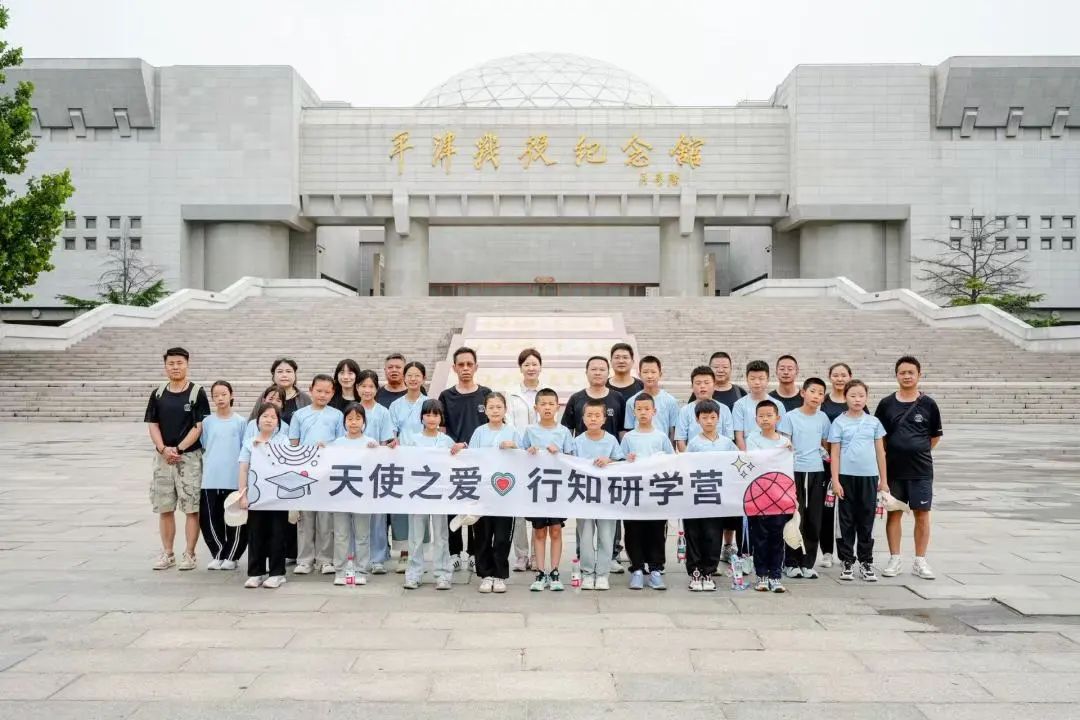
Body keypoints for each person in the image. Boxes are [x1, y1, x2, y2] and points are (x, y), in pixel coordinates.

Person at [876, 356, 943, 581]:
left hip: (921, 470)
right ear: (896, 375)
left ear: (919, 375)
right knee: (894, 513)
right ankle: (894, 559)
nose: (906, 376)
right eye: (902, 372)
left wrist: (916, 449)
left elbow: (934, 437)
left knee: (922, 515)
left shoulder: (929, 404)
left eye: (911, 372)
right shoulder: (886, 404)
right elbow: (879, 437)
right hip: (894, 470)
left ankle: (920, 561)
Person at [146, 347, 211, 571]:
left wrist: (179, 449)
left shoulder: (197, 392)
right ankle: (168, 553)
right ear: (165, 366)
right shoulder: (158, 393)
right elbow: (153, 424)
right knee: (164, 507)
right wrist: (163, 449)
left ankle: (190, 554)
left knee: (192, 507)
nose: (175, 367)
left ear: (187, 364)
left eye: (179, 363)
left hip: (189, 457)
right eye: (171, 363)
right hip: (163, 458)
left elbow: (199, 426)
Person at [829, 379, 888, 583]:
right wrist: (835, 481)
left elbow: (880, 453)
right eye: (853, 395)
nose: (857, 399)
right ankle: (847, 561)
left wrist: (884, 480)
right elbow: (834, 454)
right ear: (845, 397)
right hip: (846, 477)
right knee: (845, 520)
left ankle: (866, 561)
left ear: (866, 397)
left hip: (869, 477)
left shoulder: (874, 422)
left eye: (861, 396)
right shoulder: (838, 422)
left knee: (866, 520)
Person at [438, 347, 491, 570]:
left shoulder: (486, 394)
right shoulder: (446, 396)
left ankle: (474, 553)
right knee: (453, 505)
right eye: (461, 364)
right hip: (454, 459)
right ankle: (454, 553)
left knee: (476, 508)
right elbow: (441, 429)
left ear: (476, 367)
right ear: (454, 368)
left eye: (470, 364)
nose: (466, 368)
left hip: (479, 461)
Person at [288, 374, 344, 575]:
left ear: (333, 393)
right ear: (311, 390)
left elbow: (341, 442)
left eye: (327, 392)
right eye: (319, 391)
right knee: (305, 518)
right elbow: (293, 443)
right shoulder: (299, 415)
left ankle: (325, 559)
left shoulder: (337, 415)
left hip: (327, 472)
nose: (322, 395)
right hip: (305, 471)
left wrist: (328, 448)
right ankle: (304, 560)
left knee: (326, 519)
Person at [777, 378, 832, 579]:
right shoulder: (790, 417)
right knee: (794, 517)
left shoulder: (823, 418)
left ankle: (808, 563)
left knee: (814, 518)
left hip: (816, 472)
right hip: (794, 472)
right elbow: (784, 445)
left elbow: (826, 445)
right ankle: (791, 562)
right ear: (803, 393)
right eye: (812, 391)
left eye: (820, 393)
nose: (816, 396)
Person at [621, 394, 675, 591]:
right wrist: (627, 459)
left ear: (654, 411)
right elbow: (619, 461)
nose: (643, 413)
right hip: (634, 492)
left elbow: (672, 461)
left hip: (656, 492)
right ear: (633, 412)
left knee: (656, 531)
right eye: (639, 409)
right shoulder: (628, 438)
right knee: (633, 530)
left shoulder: (661, 437)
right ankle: (636, 568)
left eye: (647, 409)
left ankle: (655, 569)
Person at [468, 392, 521, 594]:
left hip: (506, 493)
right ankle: (486, 574)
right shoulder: (479, 432)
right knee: (482, 535)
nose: (495, 411)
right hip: (484, 492)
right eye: (491, 407)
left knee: (502, 536)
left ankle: (499, 574)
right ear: (485, 410)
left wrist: (514, 447)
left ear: (505, 409)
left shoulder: (513, 432)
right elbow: (471, 458)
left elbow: (524, 458)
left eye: (499, 407)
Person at [522, 388, 575, 592]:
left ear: (557, 407)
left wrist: (559, 453)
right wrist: (529, 452)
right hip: (537, 489)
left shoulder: (563, 432)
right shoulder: (529, 431)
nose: (547, 407)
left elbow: (572, 459)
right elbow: (519, 457)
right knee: (539, 531)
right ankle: (540, 571)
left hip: (557, 489)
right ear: (536, 407)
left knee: (555, 530)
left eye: (551, 404)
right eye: (543, 404)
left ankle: (554, 571)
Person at [400, 399, 456, 591]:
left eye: (436, 415)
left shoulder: (446, 441)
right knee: (416, 537)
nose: (431, 419)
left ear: (441, 418)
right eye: (428, 414)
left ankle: (443, 574)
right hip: (418, 494)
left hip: (440, 495)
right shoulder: (412, 440)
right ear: (422, 417)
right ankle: (413, 574)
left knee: (441, 536)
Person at [683, 399, 737, 591]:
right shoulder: (694, 443)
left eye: (712, 417)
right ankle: (695, 572)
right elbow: (686, 467)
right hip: (696, 496)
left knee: (713, 534)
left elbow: (738, 462)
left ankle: (709, 571)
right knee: (694, 534)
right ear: (697, 419)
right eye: (704, 418)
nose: (709, 421)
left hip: (717, 497)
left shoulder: (727, 443)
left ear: (718, 418)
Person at [356, 368, 404, 572]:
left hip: (377, 468)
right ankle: (358, 556)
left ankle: (377, 558)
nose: (367, 390)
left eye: (371, 386)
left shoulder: (383, 412)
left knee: (378, 516)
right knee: (357, 514)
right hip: (355, 469)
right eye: (363, 386)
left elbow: (387, 440)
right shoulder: (352, 410)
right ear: (357, 388)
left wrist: (383, 447)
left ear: (377, 389)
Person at [239, 402, 292, 588]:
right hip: (256, 496)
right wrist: (242, 494)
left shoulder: (283, 441)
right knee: (256, 533)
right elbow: (243, 469)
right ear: (257, 420)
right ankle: (256, 572)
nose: (269, 420)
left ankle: (277, 573)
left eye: (273, 417)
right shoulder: (249, 443)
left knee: (277, 533)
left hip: (277, 497)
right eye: (265, 416)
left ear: (278, 422)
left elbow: (288, 465)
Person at [574, 398, 624, 591]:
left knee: (606, 535)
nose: (593, 419)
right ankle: (587, 572)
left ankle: (603, 574)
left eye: (597, 415)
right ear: (583, 418)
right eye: (589, 415)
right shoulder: (577, 442)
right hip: (584, 495)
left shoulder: (611, 440)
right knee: (585, 536)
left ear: (604, 419)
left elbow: (620, 462)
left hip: (607, 496)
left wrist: (609, 461)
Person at [199, 380, 248, 571]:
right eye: (216, 395)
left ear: (231, 395)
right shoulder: (207, 422)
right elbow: (205, 445)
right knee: (210, 519)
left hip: (233, 479)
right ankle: (218, 553)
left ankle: (232, 556)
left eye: (224, 394)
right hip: (211, 478)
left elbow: (244, 450)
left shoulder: (240, 422)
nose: (220, 398)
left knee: (235, 520)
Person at [747, 400, 795, 593]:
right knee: (759, 538)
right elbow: (755, 460)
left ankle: (775, 575)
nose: (765, 419)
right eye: (761, 416)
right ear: (756, 419)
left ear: (778, 418)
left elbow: (788, 469)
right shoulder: (752, 439)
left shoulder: (785, 442)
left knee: (777, 538)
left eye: (769, 415)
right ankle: (761, 575)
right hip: (758, 497)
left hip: (780, 498)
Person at [328, 402, 378, 587]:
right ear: (344, 422)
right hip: (341, 496)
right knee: (341, 535)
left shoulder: (371, 443)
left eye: (358, 418)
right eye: (350, 419)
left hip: (363, 497)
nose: (354, 422)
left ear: (364, 421)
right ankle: (340, 570)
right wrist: (322, 449)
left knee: (362, 535)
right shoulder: (337, 444)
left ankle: (361, 570)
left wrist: (377, 451)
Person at [504, 348, 543, 573]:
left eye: (534, 364)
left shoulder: (546, 393)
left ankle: (537, 555)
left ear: (540, 367)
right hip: (518, 455)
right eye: (526, 364)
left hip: (539, 457)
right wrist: (519, 446)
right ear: (520, 368)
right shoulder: (511, 394)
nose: (530, 368)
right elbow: (508, 422)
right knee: (518, 508)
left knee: (537, 506)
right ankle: (521, 555)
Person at [818, 362, 852, 568]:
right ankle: (827, 552)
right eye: (836, 375)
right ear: (830, 377)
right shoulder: (823, 401)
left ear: (850, 377)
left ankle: (845, 551)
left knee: (847, 509)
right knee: (827, 508)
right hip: (825, 463)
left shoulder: (854, 400)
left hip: (848, 464)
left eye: (843, 375)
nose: (840, 379)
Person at [562, 356, 625, 439]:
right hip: (582, 447)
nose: (597, 373)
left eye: (602, 370)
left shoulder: (618, 397)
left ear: (608, 373)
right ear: (586, 372)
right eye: (593, 369)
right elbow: (567, 430)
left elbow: (622, 430)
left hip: (611, 447)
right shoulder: (575, 398)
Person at [676, 365, 734, 452]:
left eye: (707, 383)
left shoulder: (724, 409)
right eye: (698, 383)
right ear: (692, 386)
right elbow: (680, 440)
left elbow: (728, 439)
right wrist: (688, 458)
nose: (702, 386)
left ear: (714, 385)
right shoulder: (685, 411)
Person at [733, 360, 786, 451]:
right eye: (752, 378)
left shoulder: (778, 405)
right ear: (747, 380)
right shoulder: (739, 405)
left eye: (761, 378)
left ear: (768, 380)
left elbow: (781, 433)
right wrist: (747, 456)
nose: (757, 382)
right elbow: (739, 436)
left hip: (773, 452)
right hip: (749, 453)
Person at [624, 355, 679, 438]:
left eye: (653, 372)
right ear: (639, 375)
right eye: (645, 372)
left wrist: (669, 446)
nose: (649, 376)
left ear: (660, 374)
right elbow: (629, 430)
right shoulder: (631, 401)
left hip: (662, 445)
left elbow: (673, 430)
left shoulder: (670, 401)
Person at [388, 361, 428, 440]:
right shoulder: (395, 405)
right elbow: (392, 431)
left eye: (417, 376)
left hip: (424, 446)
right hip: (401, 446)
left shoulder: (429, 403)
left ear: (424, 379)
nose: (413, 379)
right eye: (409, 375)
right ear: (404, 378)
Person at [271, 358, 310, 425]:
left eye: (288, 371)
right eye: (280, 371)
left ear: (295, 374)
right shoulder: (266, 396)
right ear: (273, 375)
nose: (284, 375)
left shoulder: (303, 398)